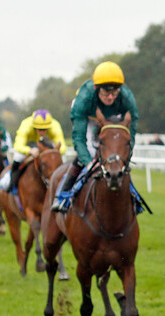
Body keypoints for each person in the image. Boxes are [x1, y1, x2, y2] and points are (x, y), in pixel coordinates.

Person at [51, 61, 140, 212]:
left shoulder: (126, 97)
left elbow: (131, 130)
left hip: (113, 120)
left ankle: (133, 196)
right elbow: (79, 139)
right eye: (106, 92)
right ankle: (62, 196)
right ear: (96, 88)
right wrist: (88, 162)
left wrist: (125, 155)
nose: (111, 97)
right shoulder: (84, 98)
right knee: (90, 154)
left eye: (115, 92)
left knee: (117, 158)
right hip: (90, 117)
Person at [5, 109, 67, 193]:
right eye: (39, 129)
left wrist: (53, 152)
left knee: (60, 160)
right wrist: (30, 151)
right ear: (34, 127)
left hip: (47, 147)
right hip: (29, 145)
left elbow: (63, 147)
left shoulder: (55, 126)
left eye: (45, 129)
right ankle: (12, 184)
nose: (42, 132)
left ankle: (64, 185)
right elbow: (18, 146)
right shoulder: (26, 125)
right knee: (18, 157)